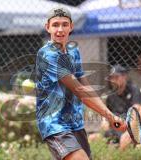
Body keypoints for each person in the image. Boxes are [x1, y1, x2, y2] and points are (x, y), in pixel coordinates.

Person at [35, 7, 126, 160]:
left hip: (75, 123)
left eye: (64, 24)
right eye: (55, 25)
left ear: (71, 27)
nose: (60, 29)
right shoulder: (47, 54)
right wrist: (110, 116)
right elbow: (79, 90)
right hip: (54, 124)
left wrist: (109, 115)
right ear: (47, 27)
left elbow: (85, 86)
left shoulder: (73, 51)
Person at [103, 64, 141, 150]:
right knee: (94, 138)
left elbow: (137, 112)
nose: (113, 80)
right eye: (111, 78)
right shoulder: (110, 95)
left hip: (129, 128)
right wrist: (105, 121)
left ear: (124, 77)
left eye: (116, 77)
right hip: (115, 127)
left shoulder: (133, 90)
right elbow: (107, 114)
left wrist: (129, 131)